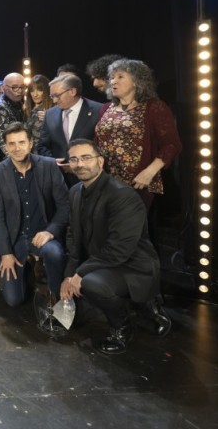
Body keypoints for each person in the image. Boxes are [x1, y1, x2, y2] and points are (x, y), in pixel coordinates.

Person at [60, 139, 171, 354]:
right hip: (102, 260)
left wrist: (80, 273)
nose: (79, 164)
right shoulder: (75, 191)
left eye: (86, 158)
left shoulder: (122, 195)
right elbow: (73, 235)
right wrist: (69, 273)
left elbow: (120, 249)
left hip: (132, 264)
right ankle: (135, 307)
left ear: (100, 162)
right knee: (80, 284)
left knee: (90, 283)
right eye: (74, 159)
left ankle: (123, 326)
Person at [0, 123, 69, 319]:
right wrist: (6, 253)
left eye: (22, 142)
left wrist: (51, 231)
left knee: (55, 252)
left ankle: (55, 294)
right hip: (15, 239)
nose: (17, 148)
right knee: (13, 301)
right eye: (12, 144)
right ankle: (30, 269)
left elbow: (65, 205)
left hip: (42, 234)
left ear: (31, 143)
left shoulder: (48, 166)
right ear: (6, 147)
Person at [95, 59, 181, 209]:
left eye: (120, 77)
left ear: (136, 81)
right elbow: (97, 141)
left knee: (130, 229)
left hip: (137, 183)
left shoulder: (154, 107)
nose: (113, 81)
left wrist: (150, 172)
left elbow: (171, 144)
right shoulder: (106, 108)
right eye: (112, 77)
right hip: (105, 181)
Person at [37, 74, 102, 187]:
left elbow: (103, 146)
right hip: (59, 181)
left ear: (72, 91)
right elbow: (42, 146)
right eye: (52, 96)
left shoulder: (99, 110)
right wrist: (53, 162)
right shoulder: (50, 114)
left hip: (91, 181)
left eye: (57, 95)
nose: (54, 100)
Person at [0, 72, 27, 157]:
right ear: (4, 88)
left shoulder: (19, 103)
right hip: (11, 159)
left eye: (22, 87)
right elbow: (3, 141)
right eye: (14, 87)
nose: (20, 91)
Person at [22, 74, 53, 152]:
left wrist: (50, 119)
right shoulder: (29, 110)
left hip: (46, 155)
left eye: (39, 90)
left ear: (46, 91)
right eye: (32, 90)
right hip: (30, 154)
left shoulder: (53, 110)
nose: (35, 94)